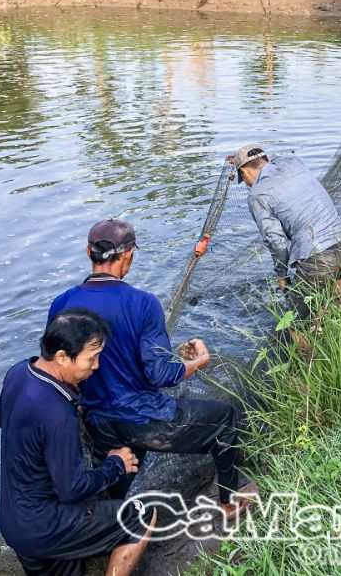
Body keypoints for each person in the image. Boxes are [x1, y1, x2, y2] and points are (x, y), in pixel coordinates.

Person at [47, 218, 252, 517]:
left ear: (87, 252)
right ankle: (229, 503)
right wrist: (197, 362)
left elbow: (61, 369)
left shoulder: (60, 304)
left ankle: (100, 522)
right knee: (224, 418)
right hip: (143, 418)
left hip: (97, 421)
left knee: (118, 471)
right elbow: (161, 375)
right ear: (128, 255)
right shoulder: (143, 303)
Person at [0, 307, 156, 576]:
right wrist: (116, 464)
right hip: (48, 527)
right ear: (61, 357)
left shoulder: (18, 373)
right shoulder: (58, 415)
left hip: (14, 524)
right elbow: (72, 489)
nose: (96, 366)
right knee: (142, 515)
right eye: (91, 358)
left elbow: (0, 418)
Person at [231, 144, 341, 320]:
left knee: (294, 322)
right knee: (339, 302)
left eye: (243, 178)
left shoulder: (257, 195)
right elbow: (274, 159)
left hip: (319, 257)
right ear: (266, 160)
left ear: (244, 173)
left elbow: (276, 242)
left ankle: (306, 346)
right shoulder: (293, 163)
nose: (247, 184)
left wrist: (282, 275)